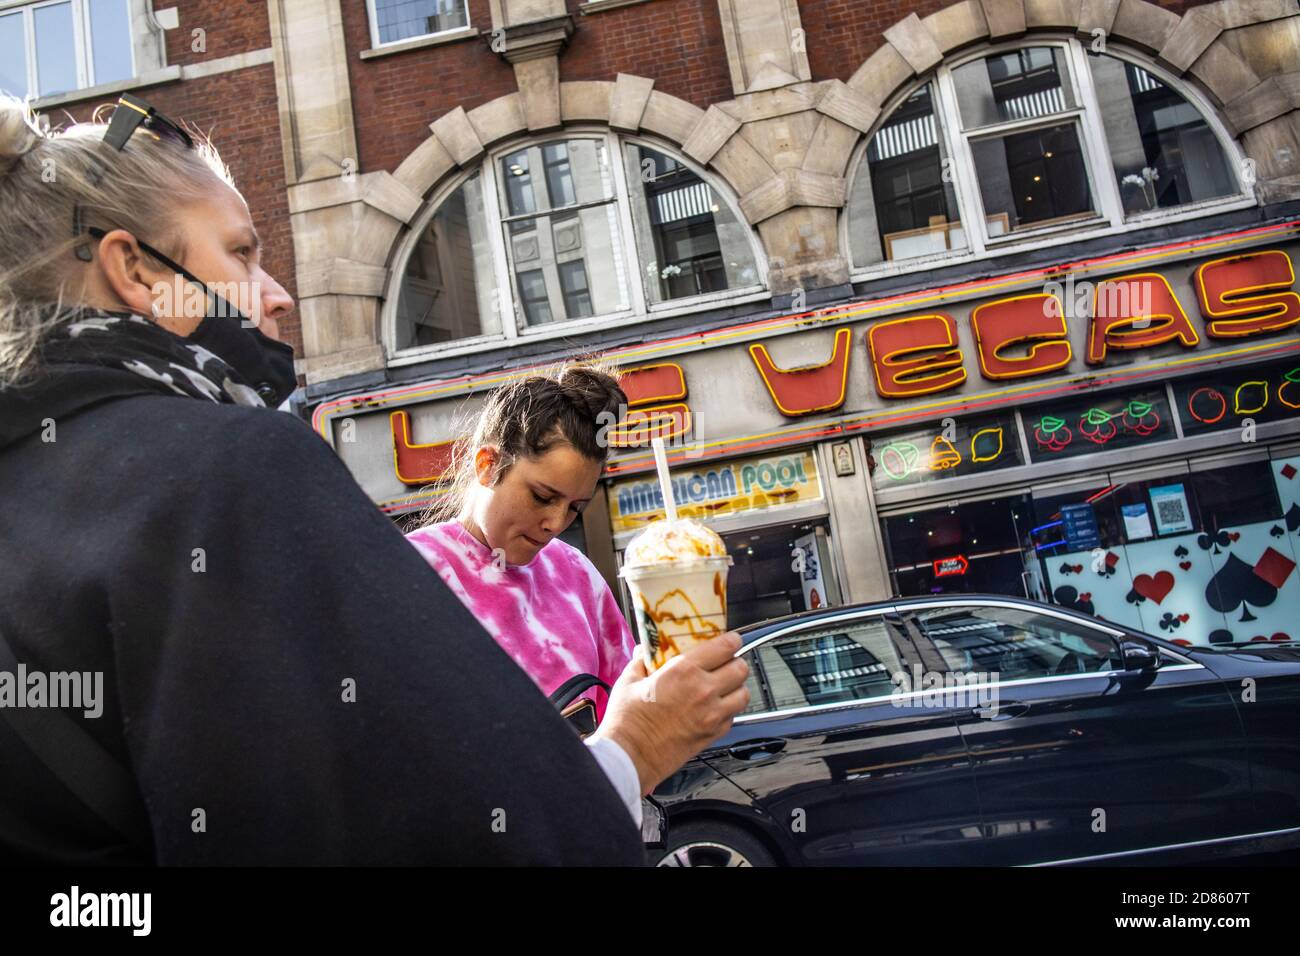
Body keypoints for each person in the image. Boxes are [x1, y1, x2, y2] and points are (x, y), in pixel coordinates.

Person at [0, 94, 749, 865]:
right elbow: (411, 831)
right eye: (242, 253)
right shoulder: (229, 467)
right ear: (135, 268)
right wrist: (631, 750)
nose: (278, 292)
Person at [406, 363, 637, 724]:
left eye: (576, 508)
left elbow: (631, 711)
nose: (556, 524)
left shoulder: (576, 573)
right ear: (487, 464)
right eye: (543, 496)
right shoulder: (409, 572)